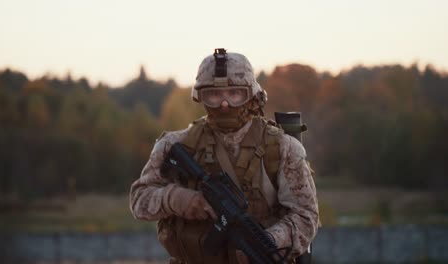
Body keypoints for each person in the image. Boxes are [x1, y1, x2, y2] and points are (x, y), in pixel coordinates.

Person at [129, 48, 319, 263]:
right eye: (214, 95)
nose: (224, 103)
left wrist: (269, 241)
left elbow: (306, 217)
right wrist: (182, 200)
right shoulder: (176, 145)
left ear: (251, 95)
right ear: (201, 96)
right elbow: (139, 201)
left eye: (234, 93)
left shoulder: (282, 147)